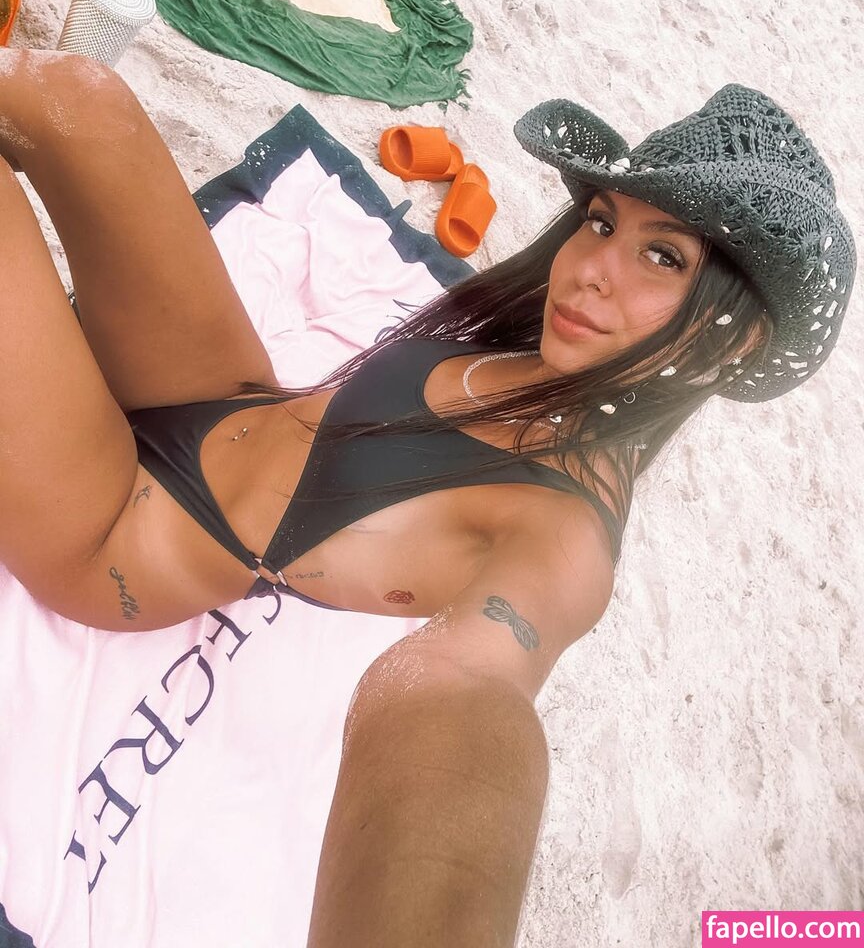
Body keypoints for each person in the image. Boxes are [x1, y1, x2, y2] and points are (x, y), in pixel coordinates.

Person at [0, 47, 855, 946]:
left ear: (735, 340)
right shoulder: (556, 357)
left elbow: (463, 699)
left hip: (132, 535)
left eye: (663, 256)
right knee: (78, 100)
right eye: (603, 222)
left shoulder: (563, 540)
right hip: (231, 397)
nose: (593, 269)